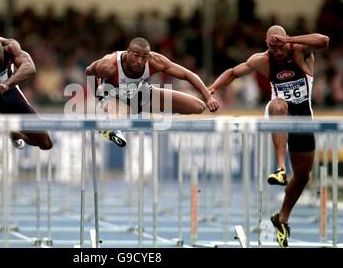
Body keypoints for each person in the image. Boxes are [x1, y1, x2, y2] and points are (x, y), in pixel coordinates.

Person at [209, 25, 329, 248]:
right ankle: (280, 168)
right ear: (267, 46)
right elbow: (234, 72)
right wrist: (212, 89)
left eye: (281, 46)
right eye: (273, 48)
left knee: (303, 176)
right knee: (279, 105)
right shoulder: (262, 60)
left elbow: (324, 40)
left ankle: (282, 218)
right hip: (277, 113)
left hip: (303, 118)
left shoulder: (300, 50)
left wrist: (288, 39)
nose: (279, 52)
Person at [86, 37, 219, 147]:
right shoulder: (109, 65)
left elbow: (187, 74)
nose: (140, 61)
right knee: (116, 116)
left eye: (144, 57)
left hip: (142, 94)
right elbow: (89, 71)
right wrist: (100, 96)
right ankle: (109, 128)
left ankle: (165, 112)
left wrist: (208, 97)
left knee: (198, 106)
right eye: (136, 56)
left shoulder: (154, 61)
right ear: (127, 53)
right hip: (116, 98)